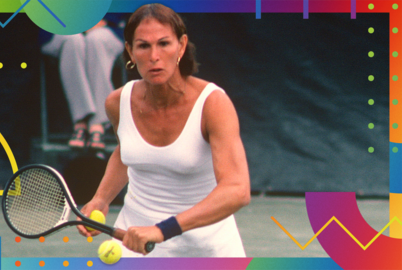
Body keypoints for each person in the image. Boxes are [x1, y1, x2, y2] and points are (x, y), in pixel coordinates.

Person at [77, 3, 251, 257]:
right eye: (143, 46)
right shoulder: (117, 103)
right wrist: (101, 199)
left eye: (164, 44)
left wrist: (162, 229)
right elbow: (127, 151)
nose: (154, 56)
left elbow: (237, 190)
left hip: (207, 250)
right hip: (133, 245)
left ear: (181, 46)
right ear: (130, 52)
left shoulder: (213, 103)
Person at [40, 14, 125, 151]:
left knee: (96, 40)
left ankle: (96, 123)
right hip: (59, 26)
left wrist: (104, 20)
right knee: (73, 41)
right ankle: (82, 121)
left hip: (107, 26)